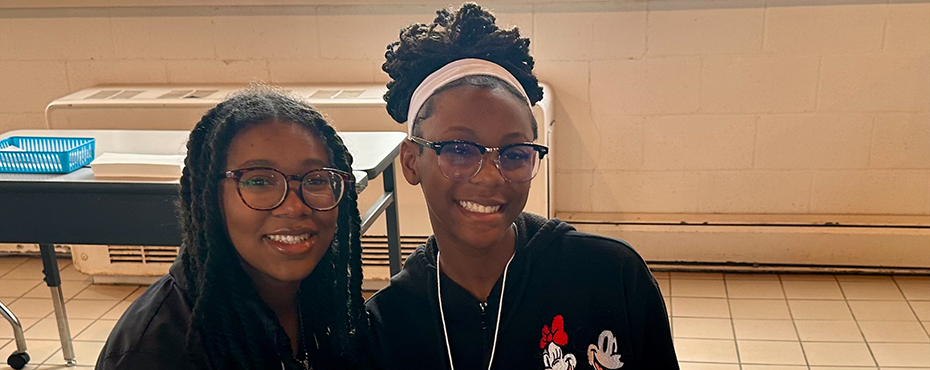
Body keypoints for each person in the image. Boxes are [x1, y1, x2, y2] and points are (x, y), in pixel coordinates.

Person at [365, 3, 679, 370]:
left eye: (514, 153)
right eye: (460, 150)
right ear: (410, 161)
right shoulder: (387, 324)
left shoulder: (612, 277)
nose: (490, 176)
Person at [96, 87, 368, 370]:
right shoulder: (152, 353)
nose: (294, 207)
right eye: (259, 181)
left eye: (315, 180)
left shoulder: (324, 300)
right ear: (209, 197)